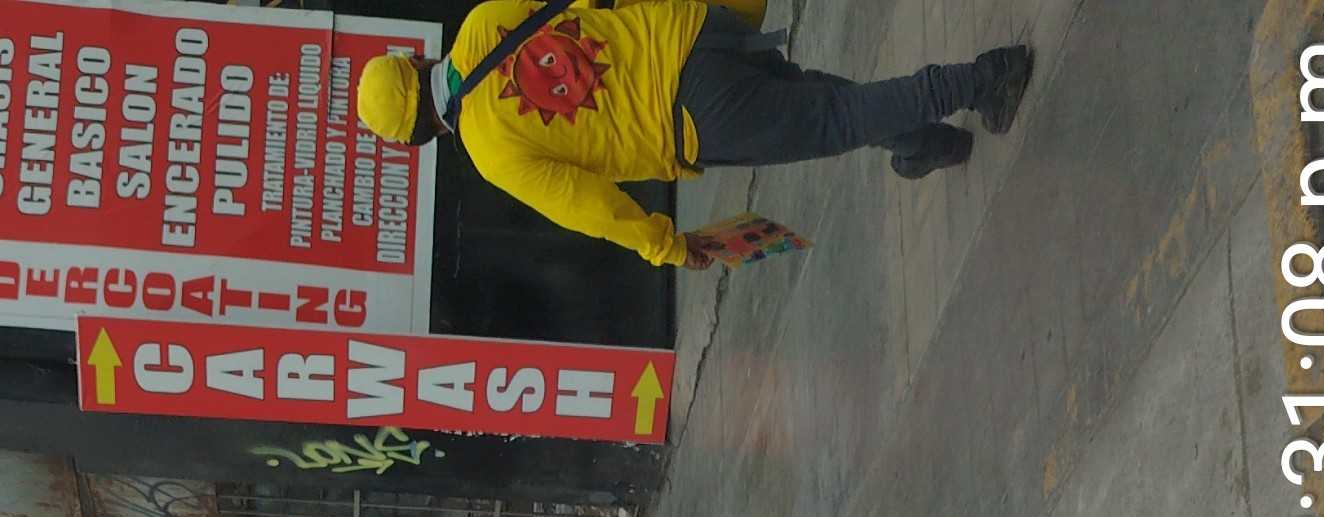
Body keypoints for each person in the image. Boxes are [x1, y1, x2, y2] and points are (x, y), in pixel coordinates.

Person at [355, 3, 1033, 270]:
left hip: (692, 117)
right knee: (812, 96)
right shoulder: (481, 23)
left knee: (834, 118)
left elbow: (588, 206)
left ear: (419, 138)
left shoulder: (491, 150)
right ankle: (926, 144)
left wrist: (665, 245)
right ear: (417, 61)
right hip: (691, 30)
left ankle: (985, 78)